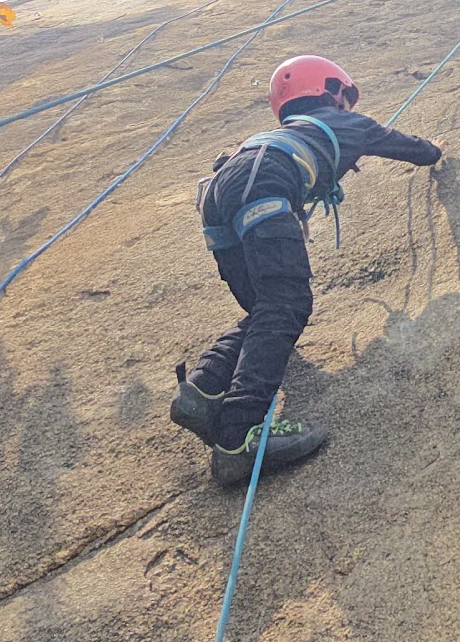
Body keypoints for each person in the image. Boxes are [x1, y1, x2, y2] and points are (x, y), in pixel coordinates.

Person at [173, 54, 444, 485]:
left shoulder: (284, 133)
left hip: (219, 192)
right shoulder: (342, 123)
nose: (347, 105)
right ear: (330, 90)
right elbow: (411, 149)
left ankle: (203, 390)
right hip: (266, 179)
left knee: (267, 308)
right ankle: (239, 434)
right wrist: (435, 151)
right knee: (286, 304)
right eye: (345, 96)